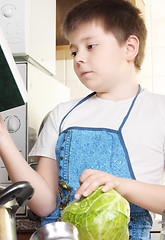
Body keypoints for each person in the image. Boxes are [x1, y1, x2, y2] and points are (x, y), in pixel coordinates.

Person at [0, 0, 165, 239]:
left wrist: (120, 185)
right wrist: (3, 139)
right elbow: (45, 204)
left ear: (129, 47)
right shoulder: (62, 114)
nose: (79, 58)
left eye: (91, 46)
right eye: (74, 51)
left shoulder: (159, 110)